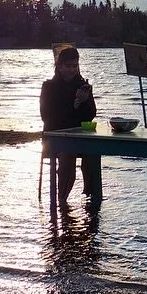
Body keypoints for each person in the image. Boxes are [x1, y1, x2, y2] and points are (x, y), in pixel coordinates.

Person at [40, 45, 99, 205]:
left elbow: (91, 114)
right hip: (54, 138)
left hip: (79, 136)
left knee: (94, 151)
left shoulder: (82, 85)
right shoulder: (49, 87)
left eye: (75, 66)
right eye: (68, 66)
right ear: (59, 66)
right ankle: (62, 200)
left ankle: (92, 198)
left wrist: (84, 102)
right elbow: (46, 116)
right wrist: (74, 106)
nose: (72, 70)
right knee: (68, 155)